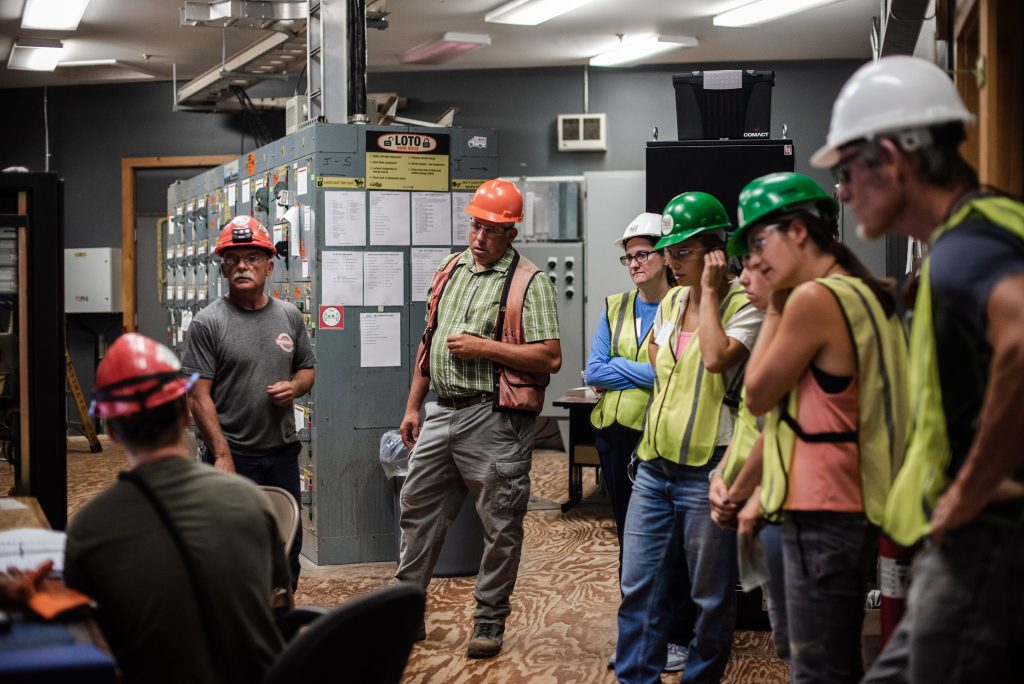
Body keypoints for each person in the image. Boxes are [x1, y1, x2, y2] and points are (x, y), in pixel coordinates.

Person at [808, 56, 1024, 683]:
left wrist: (970, 490)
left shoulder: (963, 252)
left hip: (985, 543)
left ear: (891, 159)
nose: (842, 191)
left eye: (847, 171)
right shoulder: (995, 220)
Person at [730, 172, 909, 683]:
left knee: (818, 671)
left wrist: (778, 303)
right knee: (834, 663)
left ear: (800, 233)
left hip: (823, 514)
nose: (755, 261)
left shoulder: (812, 301)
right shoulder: (864, 293)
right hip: (854, 507)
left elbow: (758, 393)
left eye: (760, 242)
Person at [396, 178, 561, 659]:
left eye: (490, 229)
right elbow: (428, 344)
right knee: (416, 514)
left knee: (500, 524)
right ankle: (406, 613)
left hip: (494, 420)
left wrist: (482, 347)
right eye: (475, 225)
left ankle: (489, 620)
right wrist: (412, 405)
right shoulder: (450, 269)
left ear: (510, 233)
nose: (479, 236)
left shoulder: (530, 283)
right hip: (440, 412)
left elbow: (550, 357)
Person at [65, 333, 289, 684]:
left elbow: (87, 638)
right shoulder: (251, 502)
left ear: (112, 430)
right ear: (186, 413)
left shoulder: (90, 529)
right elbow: (279, 609)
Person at [616, 191, 763, 684]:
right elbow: (659, 361)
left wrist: (713, 292)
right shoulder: (673, 300)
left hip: (708, 470)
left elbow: (718, 357)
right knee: (639, 585)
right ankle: (638, 677)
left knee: (710, 597)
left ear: (714, 250)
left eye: (683, 251)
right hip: (653, 468)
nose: (670, 261)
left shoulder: (747, 305)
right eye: (669, 250)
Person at [181, 215, 316, 589]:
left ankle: (281, 622)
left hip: (283, 452)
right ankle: (239, 629)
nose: (242, 265)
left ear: (270, 265)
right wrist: (221, 455)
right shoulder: (208, 323)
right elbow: (198, 394)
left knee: (286, 544)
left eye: (252, 258)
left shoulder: (289, 315)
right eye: (233, 259)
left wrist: (295, 387)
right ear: (223, 267)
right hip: (234, 455)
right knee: (234, 547)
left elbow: (307, 368)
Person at [585, 212, 692, 673]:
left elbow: (673, 371)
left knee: (673, 546)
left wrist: (624, 370)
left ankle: (676, 637)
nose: (633, 263)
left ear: (666, 256)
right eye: (627, 257)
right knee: (633, 546)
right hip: (615, 437)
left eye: (642, 254)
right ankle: (642, 640)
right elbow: (594, 371)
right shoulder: (615, 306)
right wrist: (642, 372)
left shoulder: (685, 304)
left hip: (662, 438)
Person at [707, 263, 790, 662]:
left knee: (807, 649)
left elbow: (762, 404)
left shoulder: (787, 318)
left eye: (757, 266)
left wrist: (739, 491)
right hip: (761, 492)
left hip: (805, 508)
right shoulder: (773, 316)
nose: (742, 278)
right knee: (791, 642)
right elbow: (755, 420)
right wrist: (725, 476)